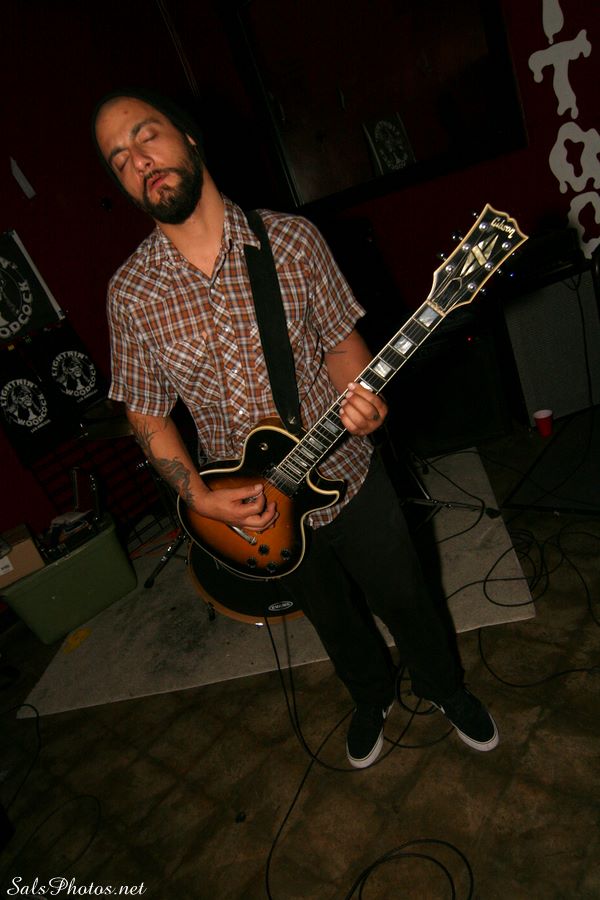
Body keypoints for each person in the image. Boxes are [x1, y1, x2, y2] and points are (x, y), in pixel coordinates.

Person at [93, 89, 499, 768]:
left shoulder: (291, 240)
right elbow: (145, 411)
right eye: (118, 158)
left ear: (188, 137)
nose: (139, 161)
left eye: (146, 135)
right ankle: (370, 695)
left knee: (407, 597)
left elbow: (341, 344)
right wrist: (199, 496)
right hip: (252, 511)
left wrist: (366, 397)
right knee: (332, 619)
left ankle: (443, 686)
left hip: (348, 474)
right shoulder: (130, 294)